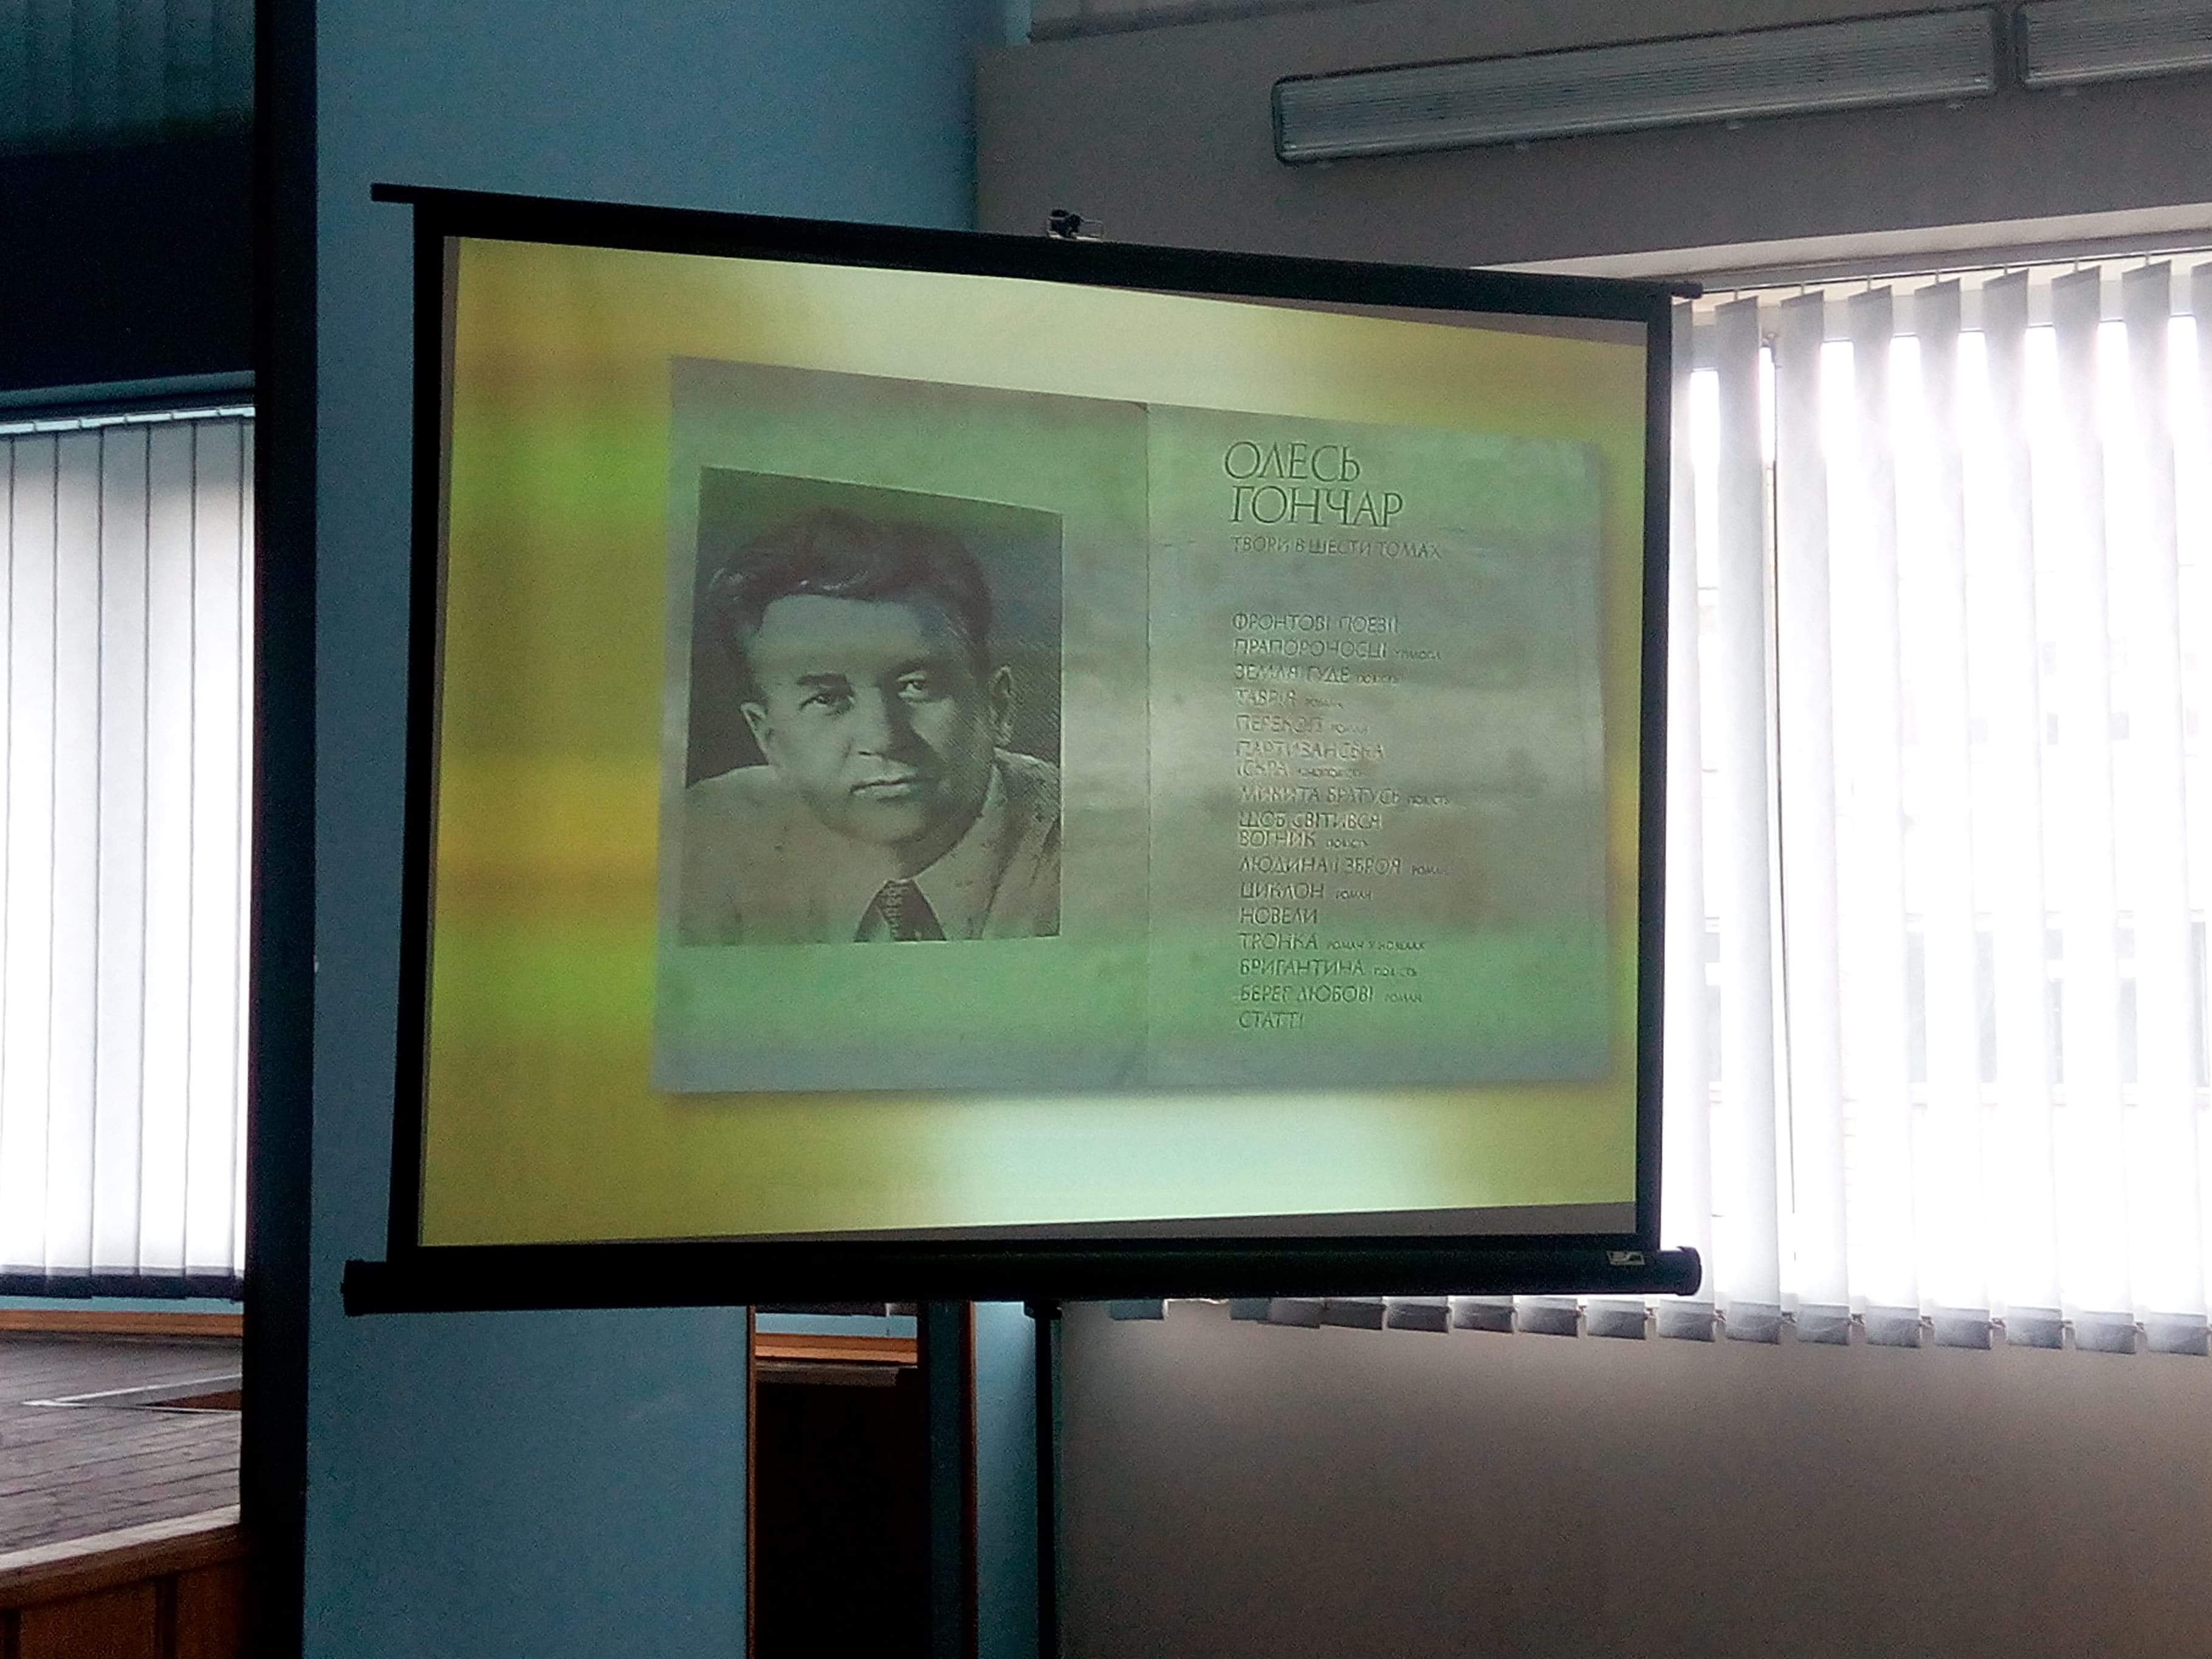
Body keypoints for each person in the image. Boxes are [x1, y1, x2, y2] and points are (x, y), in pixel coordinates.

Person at [677, 508, 1060, 944]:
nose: (883, 738)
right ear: (771, 741)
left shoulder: (1085, 846)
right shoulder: (701, 841)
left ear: (997, 707)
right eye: (827, 699)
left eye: (917, 685)